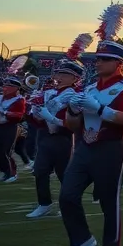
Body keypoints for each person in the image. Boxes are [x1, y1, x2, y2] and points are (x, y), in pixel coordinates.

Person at [56, 3, 123, 246]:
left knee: (108, 200)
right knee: (67, 196)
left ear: (118, 64)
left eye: (104, 59)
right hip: (84, 147)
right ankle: (81, 240)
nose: (98, 62)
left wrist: (101, 109)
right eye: (97, 58)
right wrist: (72, 109)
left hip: (110, 148)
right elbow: (72, 126)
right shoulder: (89, 88)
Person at [27, 46, 84, 219]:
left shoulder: (76, 95)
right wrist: (34, 112)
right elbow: (36, 121)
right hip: (45, 136)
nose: (58, 78)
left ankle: (69, 204)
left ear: (75, 78)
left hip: (63, 139)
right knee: (40, 171)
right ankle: (44, 203)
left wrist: (51, 118)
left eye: (63, 75)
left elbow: (75, 124)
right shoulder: (49, 92)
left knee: (64, 174)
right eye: (58, 74)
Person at [0, 76, 26, 183]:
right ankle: (4, 172)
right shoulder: (0, 98)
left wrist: (4, 112)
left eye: (8, 86)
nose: (5, 88)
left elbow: (19, 115)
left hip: (11, 126)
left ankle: (12, 174)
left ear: (15, 88)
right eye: (4, 86)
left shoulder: (19, 100)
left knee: (6, 151)